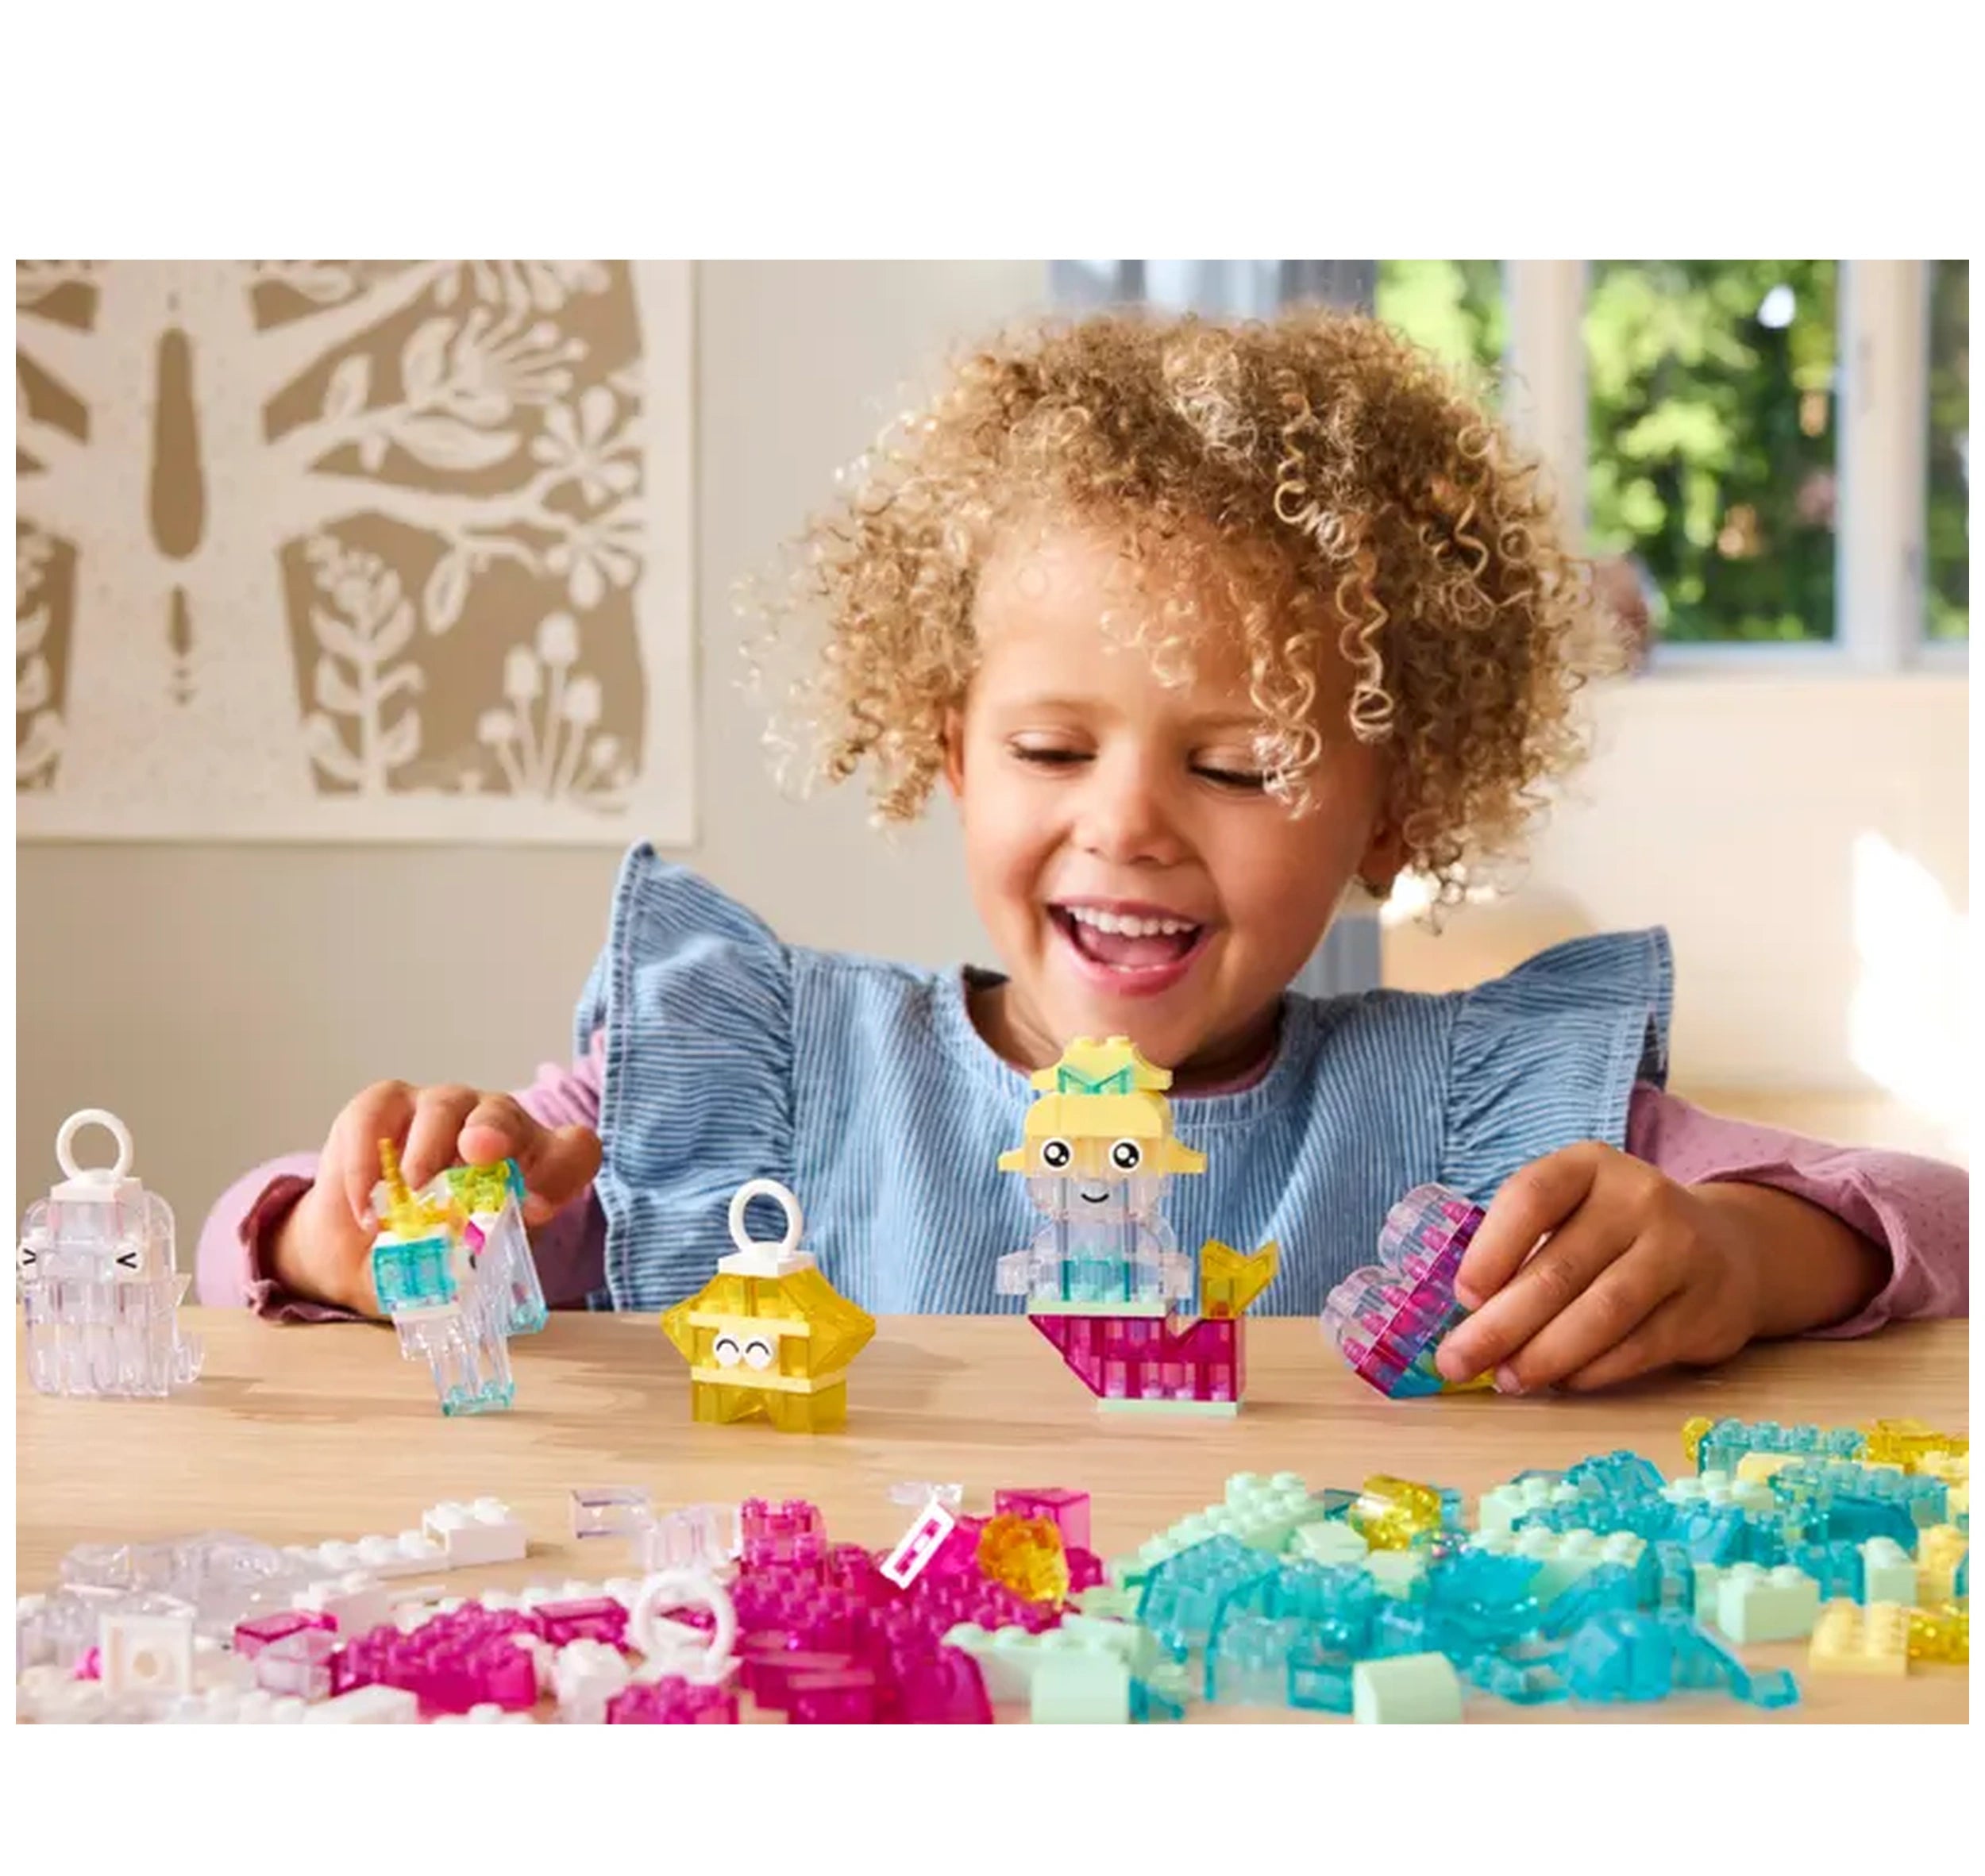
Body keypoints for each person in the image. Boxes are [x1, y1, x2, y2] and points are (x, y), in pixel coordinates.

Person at [199, 307, 1968, 1395]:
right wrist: (332, 1236)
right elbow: (306, 1253)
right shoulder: (763, 1076)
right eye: (1052, 747)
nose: (1124, 819)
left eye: (1236, 762)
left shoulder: (1468, 1111)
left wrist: (1728, 1256)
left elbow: (1918, 1222)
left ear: (1395, 808)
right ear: (939, 742)